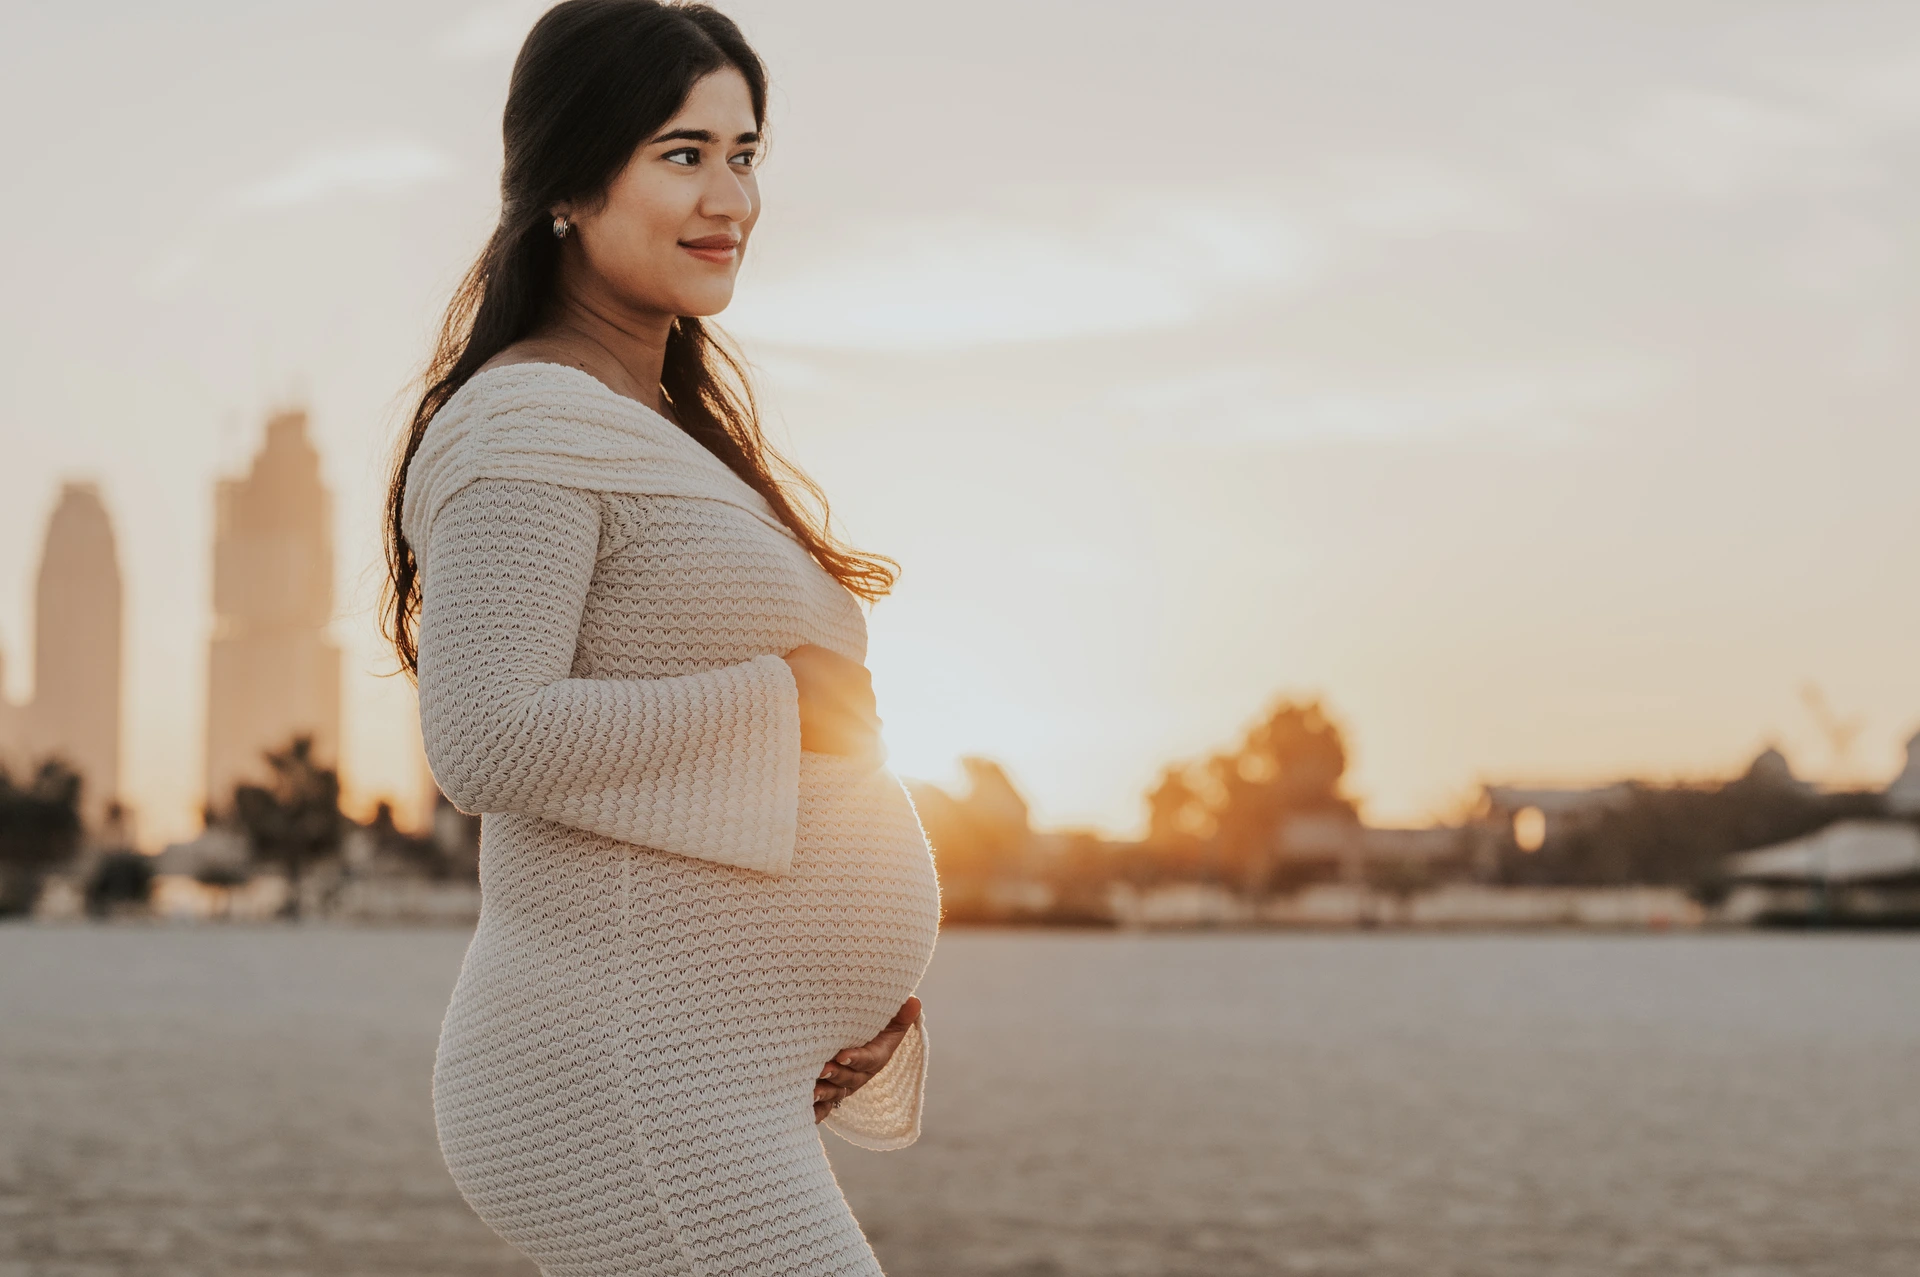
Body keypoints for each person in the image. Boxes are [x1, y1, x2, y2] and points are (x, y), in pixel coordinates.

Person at [378, 3, 942, 1272]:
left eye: (746, 154)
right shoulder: (522, 424)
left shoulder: (671, 435)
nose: (728, 196)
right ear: (569, 180)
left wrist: (846, 1005)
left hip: (711, 1064)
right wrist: (784, 700)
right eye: (682, 153)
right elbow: (483, 735)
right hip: (618, 1070)